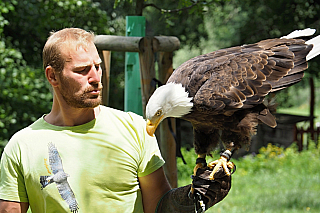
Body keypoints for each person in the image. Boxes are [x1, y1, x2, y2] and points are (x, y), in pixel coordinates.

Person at [0, 28, 232, 213]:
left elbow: (160, 208)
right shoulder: (21, 146)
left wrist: (192, 199)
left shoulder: (136, 129)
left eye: (97, 67)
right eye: (82, 70)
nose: (95, 78)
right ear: (53, 76)